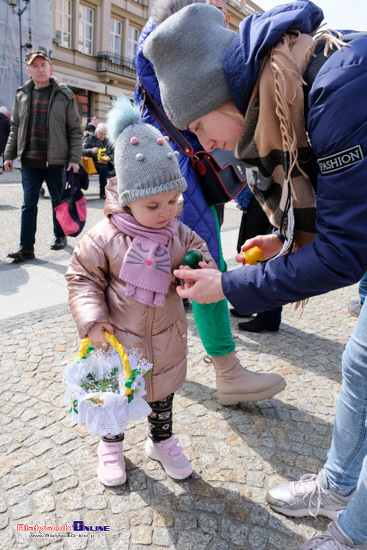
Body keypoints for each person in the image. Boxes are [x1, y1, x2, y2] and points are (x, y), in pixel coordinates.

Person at [142, 2, 367, 548]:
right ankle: (338, 487)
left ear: (222, 93)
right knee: (359, 365)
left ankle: (354, 531)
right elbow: (345, 215)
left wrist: (227, 285)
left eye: (197, 125)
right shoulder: (288, 90)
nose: (205, 144)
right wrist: (287, 242)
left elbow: (344, 254)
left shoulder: (338, 89)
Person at [135, 0, 286, 406]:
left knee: (186, 265)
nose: (220, 8)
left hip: (180, 170)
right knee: (199, 263)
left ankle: (173, 367)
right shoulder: (164, 44)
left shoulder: (164, 42)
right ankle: (225, 371)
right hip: (178, 173)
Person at [65, 96, 216, 486]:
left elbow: (200, 251)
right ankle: (111, 444)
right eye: (154, 205)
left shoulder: (177, 233)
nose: (167, 211)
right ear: (128, 201)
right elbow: (82, 278)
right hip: (118, 342)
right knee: (115, 397)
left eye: (173, 200)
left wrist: (199, 269)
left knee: (161, 394)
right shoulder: (105, 238)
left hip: (165, 338)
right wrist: (92, 321)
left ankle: (160, 440)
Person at [4, 51, 82, 261]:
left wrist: (74, 159)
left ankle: (60, 236)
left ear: (50, 68)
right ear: (28, 70)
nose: (39, 69)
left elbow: (75, 130)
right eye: (35, 66)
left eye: (43, 65)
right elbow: (15, 127)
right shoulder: (21, 94)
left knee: (58, 202)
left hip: (56, 162)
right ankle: (26, 247)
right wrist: (9, 155)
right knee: (28, 204)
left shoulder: (64, 94)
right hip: (29, 161)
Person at [82, 122, 114, 199]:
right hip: (92, 163)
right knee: (104, 168)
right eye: (101, 134)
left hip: (106, 162)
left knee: (111, 169)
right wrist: (91, 150)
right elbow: (82, 151)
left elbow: (114, 152)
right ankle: (102, 192)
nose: (103, 136)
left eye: (104, 134)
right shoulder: (89, 138)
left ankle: (111, 191)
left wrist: (110, 157)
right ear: (97, 132)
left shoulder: (108, 139)